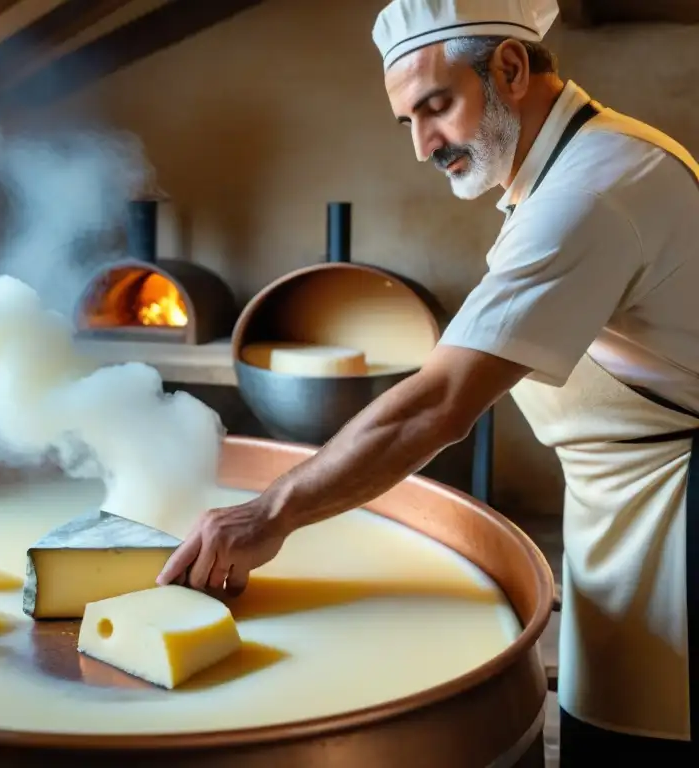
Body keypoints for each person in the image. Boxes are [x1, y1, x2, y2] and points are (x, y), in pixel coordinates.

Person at [157, 0, 699, 762]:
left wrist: (267, 514)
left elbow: (441, 404)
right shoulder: (573, 168)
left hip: (679, 530)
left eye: (436, 107)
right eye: (407, 120)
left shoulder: (595, 187)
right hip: (627, 520)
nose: (422, 145)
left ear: (510, 69)